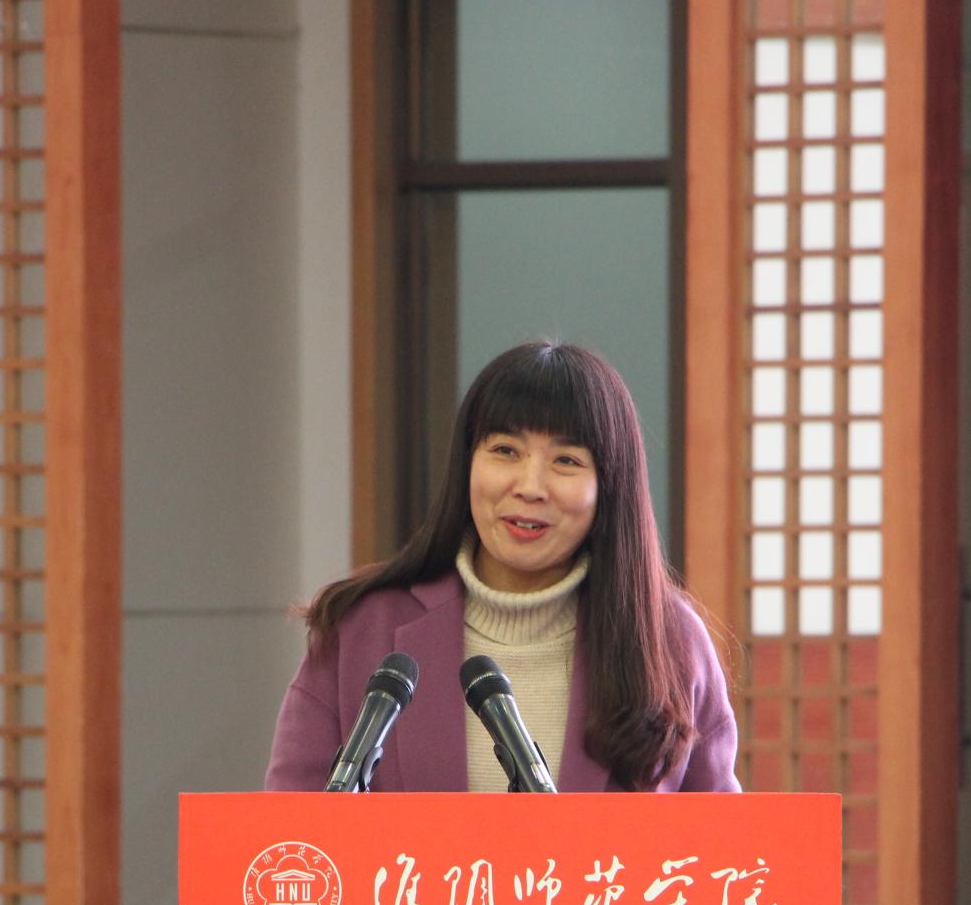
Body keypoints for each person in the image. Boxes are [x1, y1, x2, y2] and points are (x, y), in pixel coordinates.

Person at [266, 340, 739, 793]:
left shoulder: (671, 641)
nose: (530, 486)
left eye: (566, 460)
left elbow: (720, 837)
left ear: (609, 486)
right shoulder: (360, 630)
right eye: (505, 451)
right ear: (466, 464)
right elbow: (290, 832)